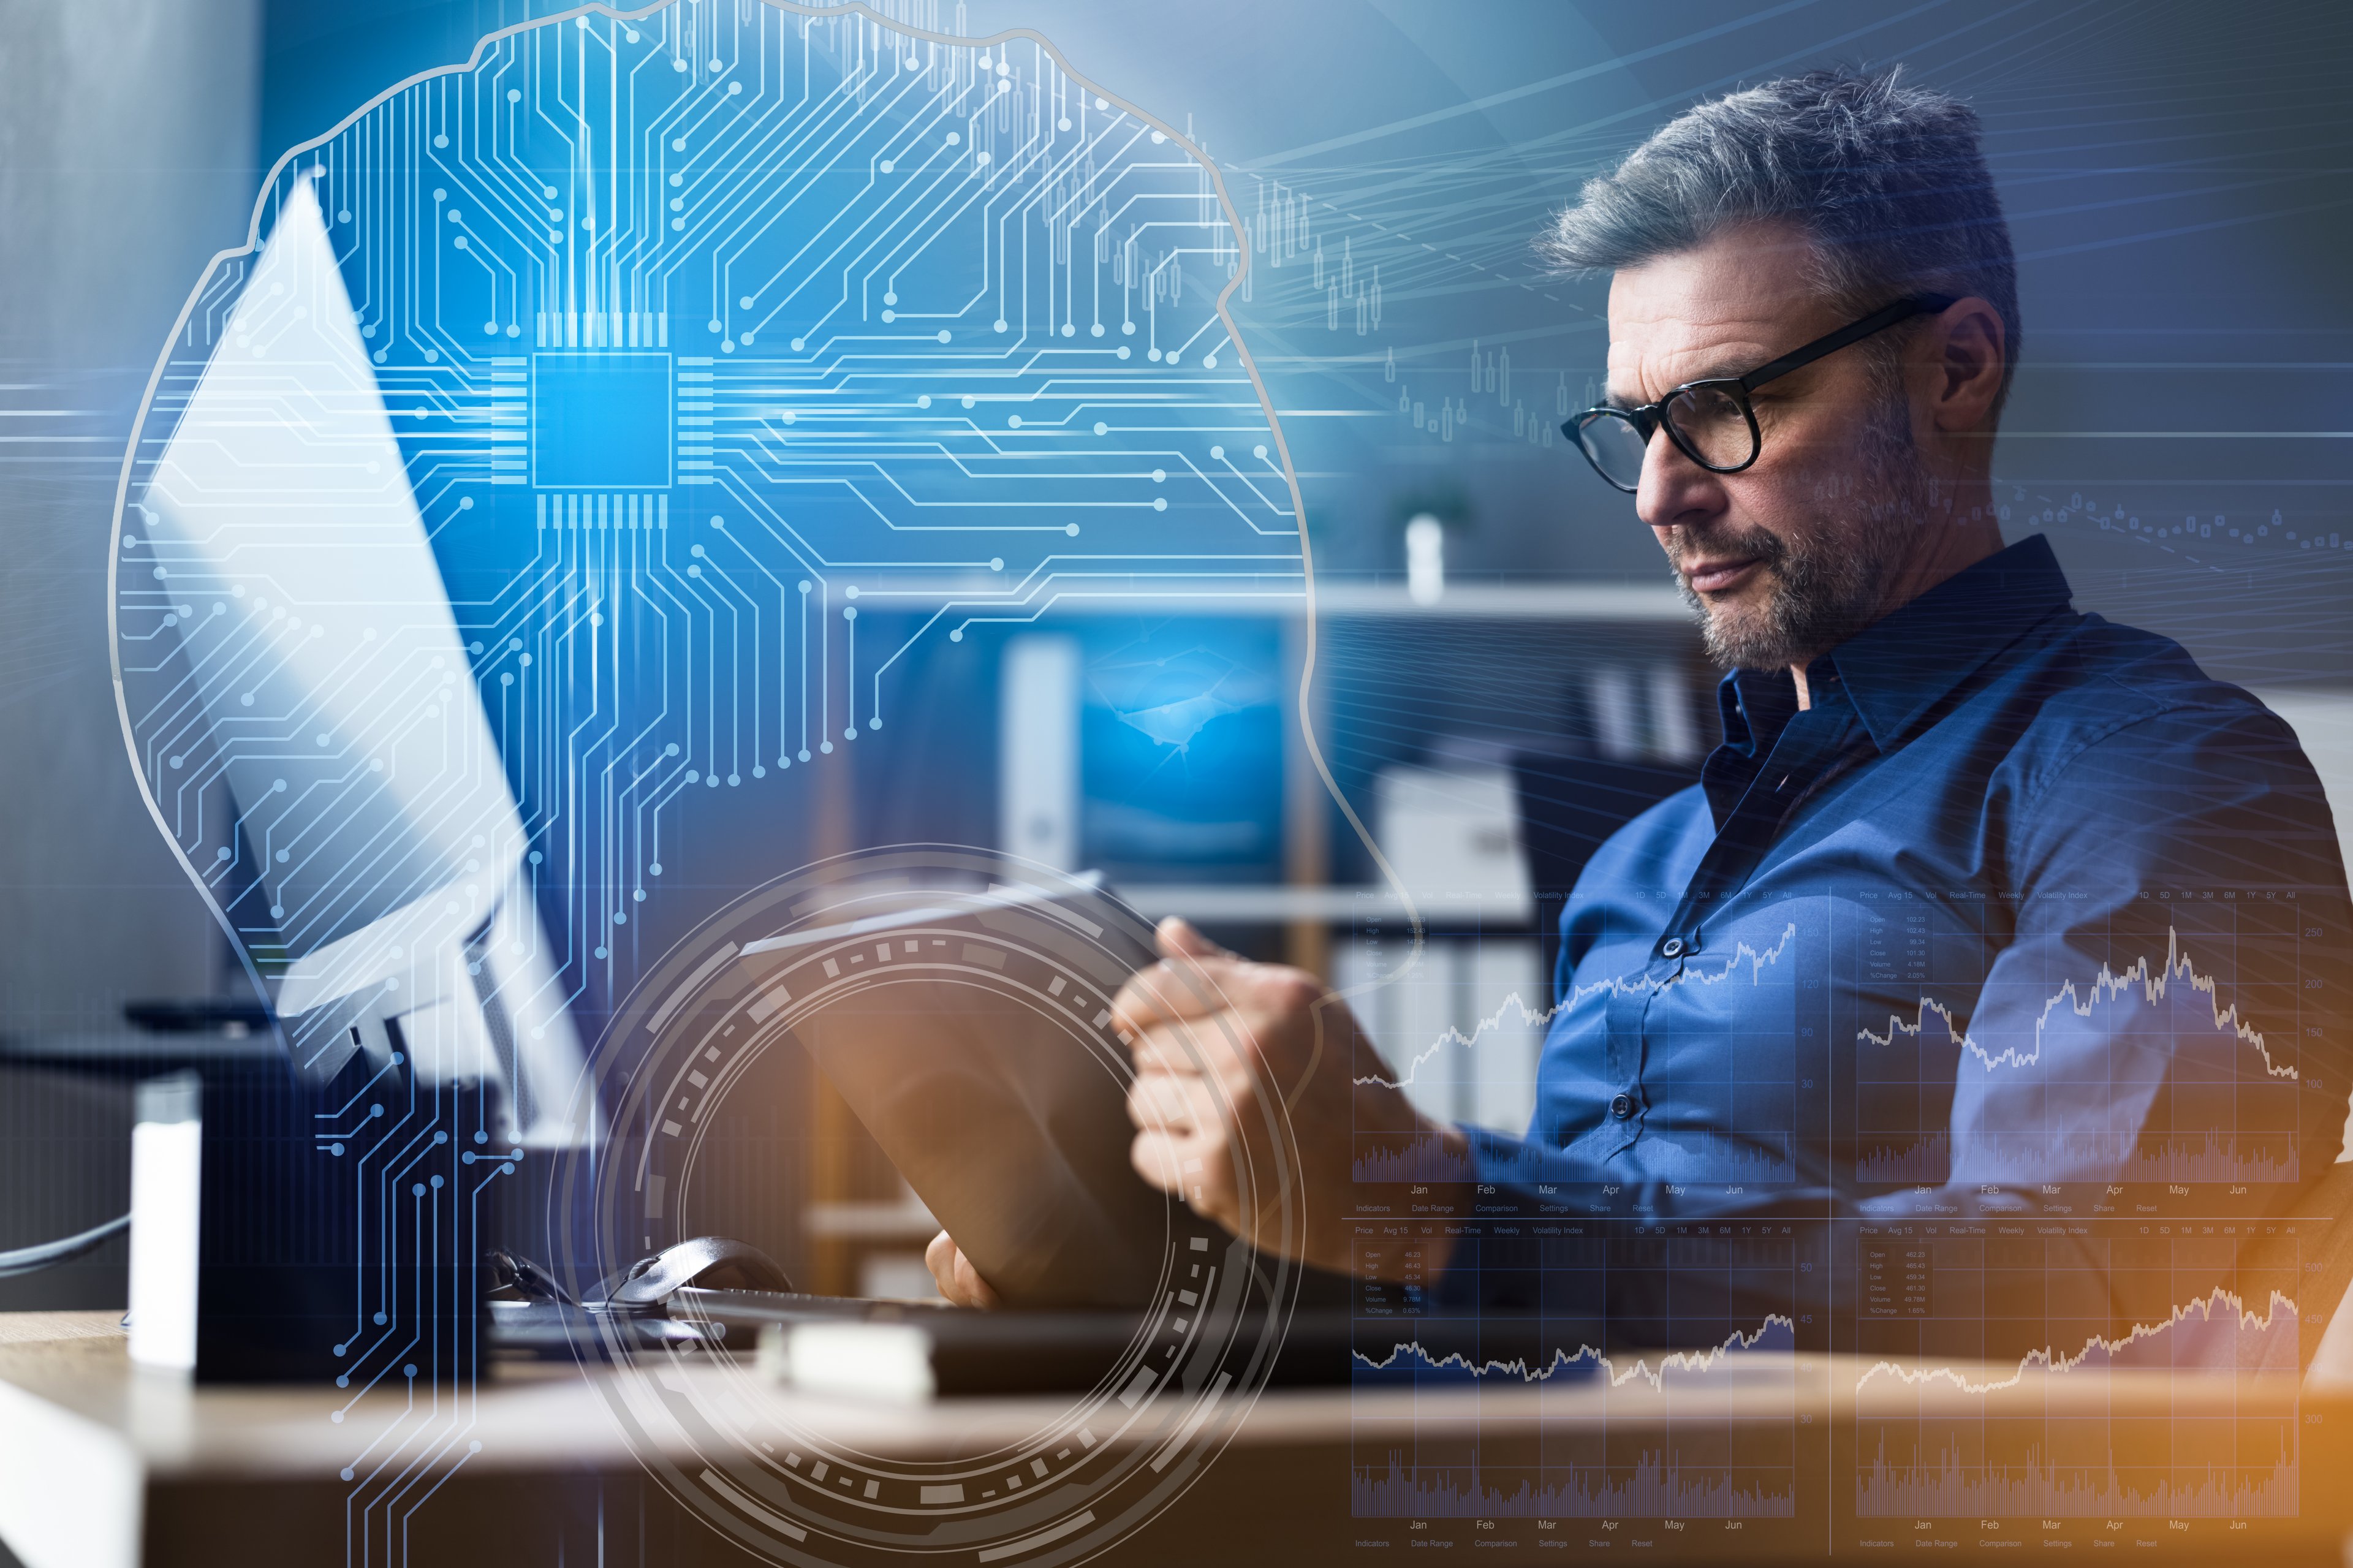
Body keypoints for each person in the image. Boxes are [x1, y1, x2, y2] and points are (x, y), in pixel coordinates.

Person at [928, 67, 2353, 1360]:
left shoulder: (2157, 776)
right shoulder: (1643, 867)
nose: (1665, 493)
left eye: (1728, 408)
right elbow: (1555, 1340)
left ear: (1956, 369)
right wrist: (1177, 1288)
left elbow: (2090, 1293)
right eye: (1638, 426)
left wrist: (1440, 1208)